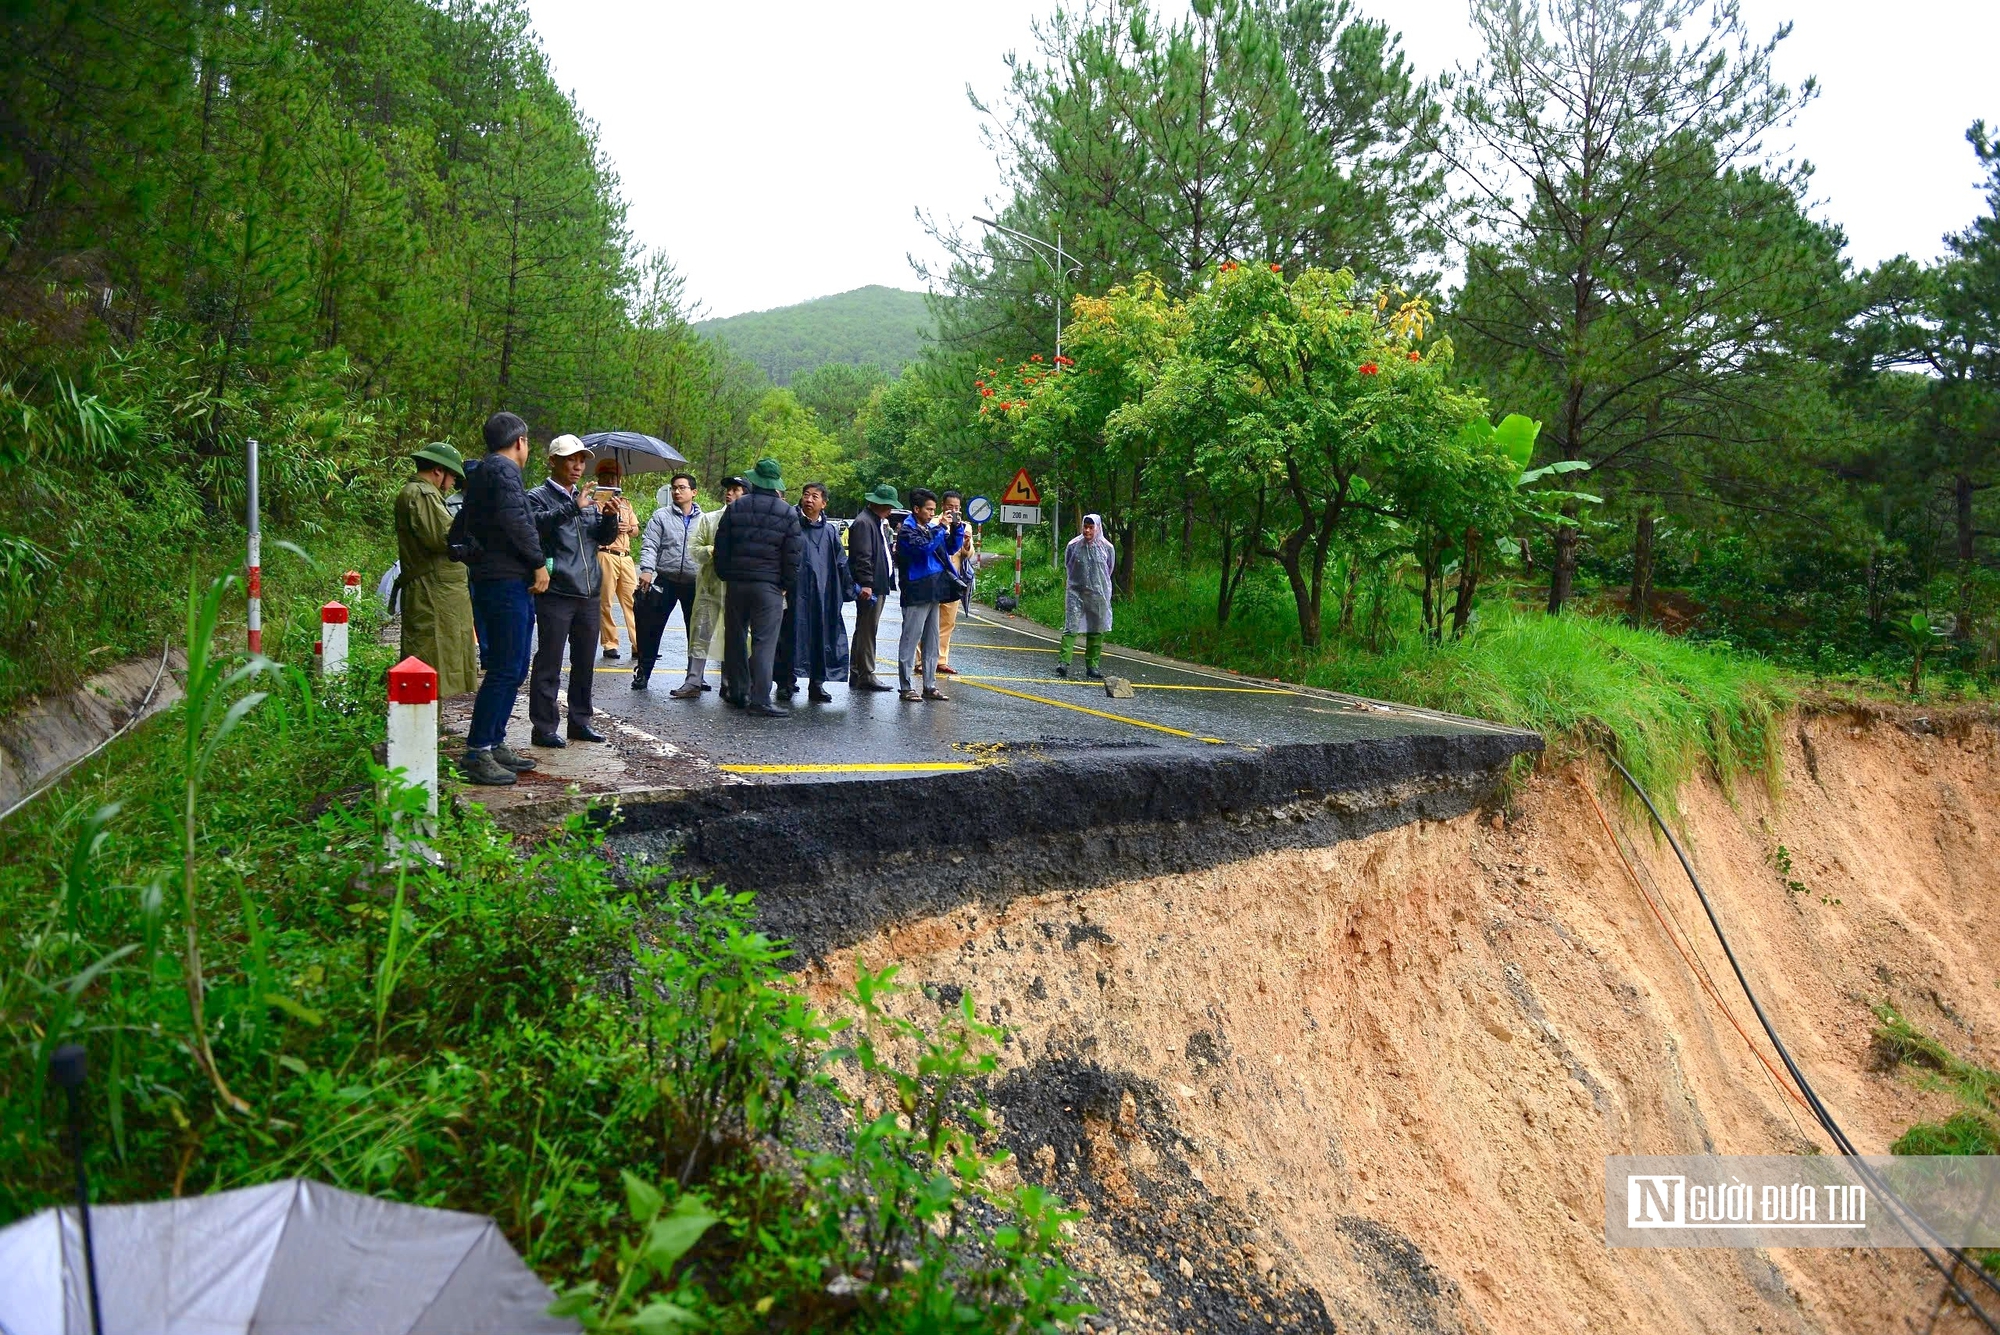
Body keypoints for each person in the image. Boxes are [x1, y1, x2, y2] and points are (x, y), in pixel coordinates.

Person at [460, 412, 548, 786]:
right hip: (505, 580)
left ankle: (494, 742)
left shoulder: (485, 472)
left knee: (512, 666)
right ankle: (478, 750)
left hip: (497, 577)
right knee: (505, 667)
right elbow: (518, 524)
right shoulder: (503, 471)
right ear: (520, 441)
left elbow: (517, 519)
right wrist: (539, 564)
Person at [525, 434, 620, 748]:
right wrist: (570, 507)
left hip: (589, 589)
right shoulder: (537, 496)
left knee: (584, 662)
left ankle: (580, 722)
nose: (578, 466)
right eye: (571, 459)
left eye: (582, 460)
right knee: (550, 660)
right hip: (557, 590)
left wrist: (610, 517)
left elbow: (600, 539)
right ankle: (543, 727)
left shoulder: (588, 497)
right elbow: (534, 527)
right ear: (553, 461)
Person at [712, 458, 800, 717]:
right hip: (768, 586)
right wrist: (785, 585)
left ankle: (738, 692)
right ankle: (760, 699)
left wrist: (725, 574)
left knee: (735, 639)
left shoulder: (737, 507)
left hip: (737, 584)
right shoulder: (787, 512)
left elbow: (722, 546)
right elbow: (793, 555)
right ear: (775, 484)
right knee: (764, 642)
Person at [393, 442, 478, 698]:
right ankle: (423, 729)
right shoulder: (422, 494)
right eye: (452, 476)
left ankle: (429, 726)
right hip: (431, 591)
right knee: (429, 656)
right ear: (439, 471)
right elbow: (443, 538)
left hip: (436, 590)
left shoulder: (421, 493)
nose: (453, 483)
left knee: (435, 656)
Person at [775, 482, 854, 702]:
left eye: (815, 496)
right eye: (806, 495)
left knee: (821, 637)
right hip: (794, 591)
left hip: (822, 594)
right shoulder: (790, 524)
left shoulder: (829, 531)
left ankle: (816, 684)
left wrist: (850, 589)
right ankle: (785, 683)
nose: (809, 499)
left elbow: (840, 561)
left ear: (824, 503)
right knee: (789, 637)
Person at [667, 474, 744, 698]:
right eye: (727, 489)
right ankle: (693, 681)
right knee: (700, 632)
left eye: (735, 489)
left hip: (736, 590)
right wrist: (712, 550)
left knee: (734, 636)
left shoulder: (750, 521)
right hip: (709, 588)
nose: (729, 493)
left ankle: (729, 683)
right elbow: (694, 549)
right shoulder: (710, 519)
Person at [895, 487, 964, 703]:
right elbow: (923, 550)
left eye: (935, 509)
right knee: (910, 639)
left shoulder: (928, 527)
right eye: (929, 509)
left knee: (932, 640)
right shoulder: (907, 530)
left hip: (934, 589)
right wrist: (939, 528)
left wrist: (956, 529)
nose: (933, 513)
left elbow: (950, 548)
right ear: (916, 509)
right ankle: (906, 686)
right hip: (916, 589)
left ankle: (929, 685)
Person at [633, 472, 701, 691]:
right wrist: (646, 570)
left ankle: (695, 677)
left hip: (694, 583)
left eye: (682, 488)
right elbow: (650, 544)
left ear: (694, 492)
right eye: (674, 488)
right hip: (666, 580)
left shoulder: (705, 520)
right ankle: (643, 673)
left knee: (696, 633)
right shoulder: (661, 516)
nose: (677, 492)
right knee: (651, 628)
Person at [845, 484, 898, 691]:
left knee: (864, 629)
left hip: (877, 583)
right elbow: (863, 557)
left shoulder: (874, 521)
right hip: (871, 585)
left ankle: (858, 671)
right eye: (888, 506)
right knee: (868, 630)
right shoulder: (864, 523)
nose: (891, 511)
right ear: (879, 504)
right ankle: (866, 673)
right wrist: (866, 583)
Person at [1056, 512, 1115, 679]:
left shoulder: (1107, 547)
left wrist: (1100, 587)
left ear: (1097, 528)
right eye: (1085, 527)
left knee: (1096, 629)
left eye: (1091, 527)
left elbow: (1109, 568)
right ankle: (1063, 663)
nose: (1087, 531)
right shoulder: (1074, 545)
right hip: (1076, 591)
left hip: (1098, 593)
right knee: (1071, 626)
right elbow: (1068, 564)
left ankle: (1092, 666)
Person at [593, 459, 640, 661]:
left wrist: (628, 529)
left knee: (633, 601)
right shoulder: (596, 501)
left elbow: (636, 530)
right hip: (606, 553)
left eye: (614, 476)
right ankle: (610, 643)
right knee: (605, 601)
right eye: (607, 476)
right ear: (600, 478)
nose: (611, 480)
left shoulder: (626, 503)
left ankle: (639, 643)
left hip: (626, 556)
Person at [930, 488, 974, 676]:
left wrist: (966, 543)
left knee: (947, 622)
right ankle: (921, 661)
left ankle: (941, 660)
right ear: (943, 506)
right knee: (927, 620)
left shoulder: (965, 526)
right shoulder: (932, 522)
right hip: (933, 577)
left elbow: (967, 555)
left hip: (953, 579)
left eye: (956, 507)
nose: (953, 510)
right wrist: (942, 525)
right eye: (950, 506)